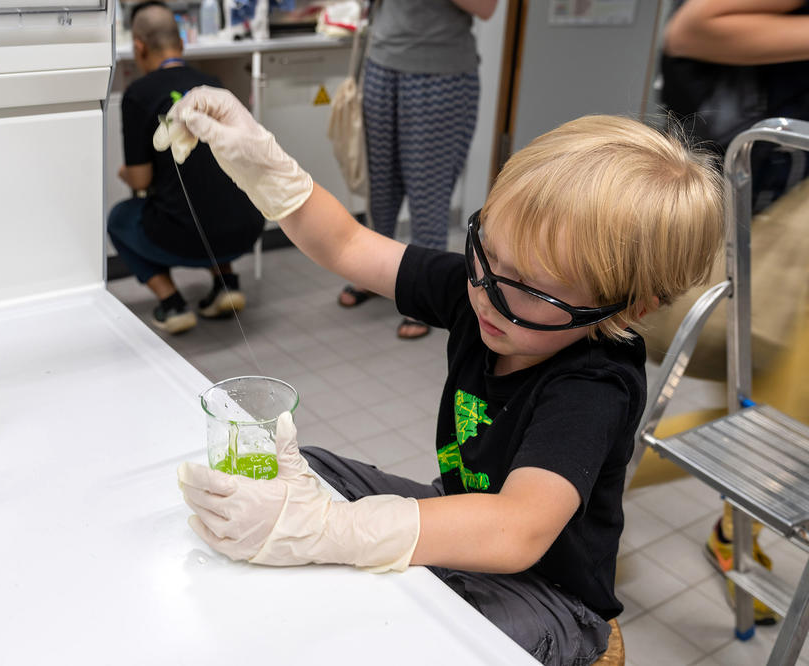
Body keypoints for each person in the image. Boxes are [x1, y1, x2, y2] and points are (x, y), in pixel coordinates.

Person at [158, 88, 723, 665]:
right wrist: (265, 166)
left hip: (550, 598)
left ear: (628, 309)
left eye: (529, 288)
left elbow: (515, 529)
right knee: (316, 469)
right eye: (486, 251)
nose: (486, 295)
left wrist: (331, 530)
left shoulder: (595, 383)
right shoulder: (482, 286)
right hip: (458, 525)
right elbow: (349, 244)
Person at [658, 0, 809, 625]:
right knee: (767, 405)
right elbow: (693, 26)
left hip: (780, 208)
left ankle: (731, 530)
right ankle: (580, 495)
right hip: (748, 206)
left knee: (762, 404)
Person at [338, 0, 498, 340]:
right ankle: (372, 274)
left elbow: (486, 7)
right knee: (380, 188)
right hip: (381, 62)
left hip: (441, 73)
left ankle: (425, 296)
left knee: (429, 194)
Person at [107, 1, 264, 334]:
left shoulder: (139, 94)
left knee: (120, 219)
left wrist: (125, 173)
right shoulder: (213, 84)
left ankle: (172, 304)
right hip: (246, 227)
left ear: (138, 46)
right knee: (209, 189)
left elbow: (139, 179)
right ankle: (227, 283)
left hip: (183, 238)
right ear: (181, 41)